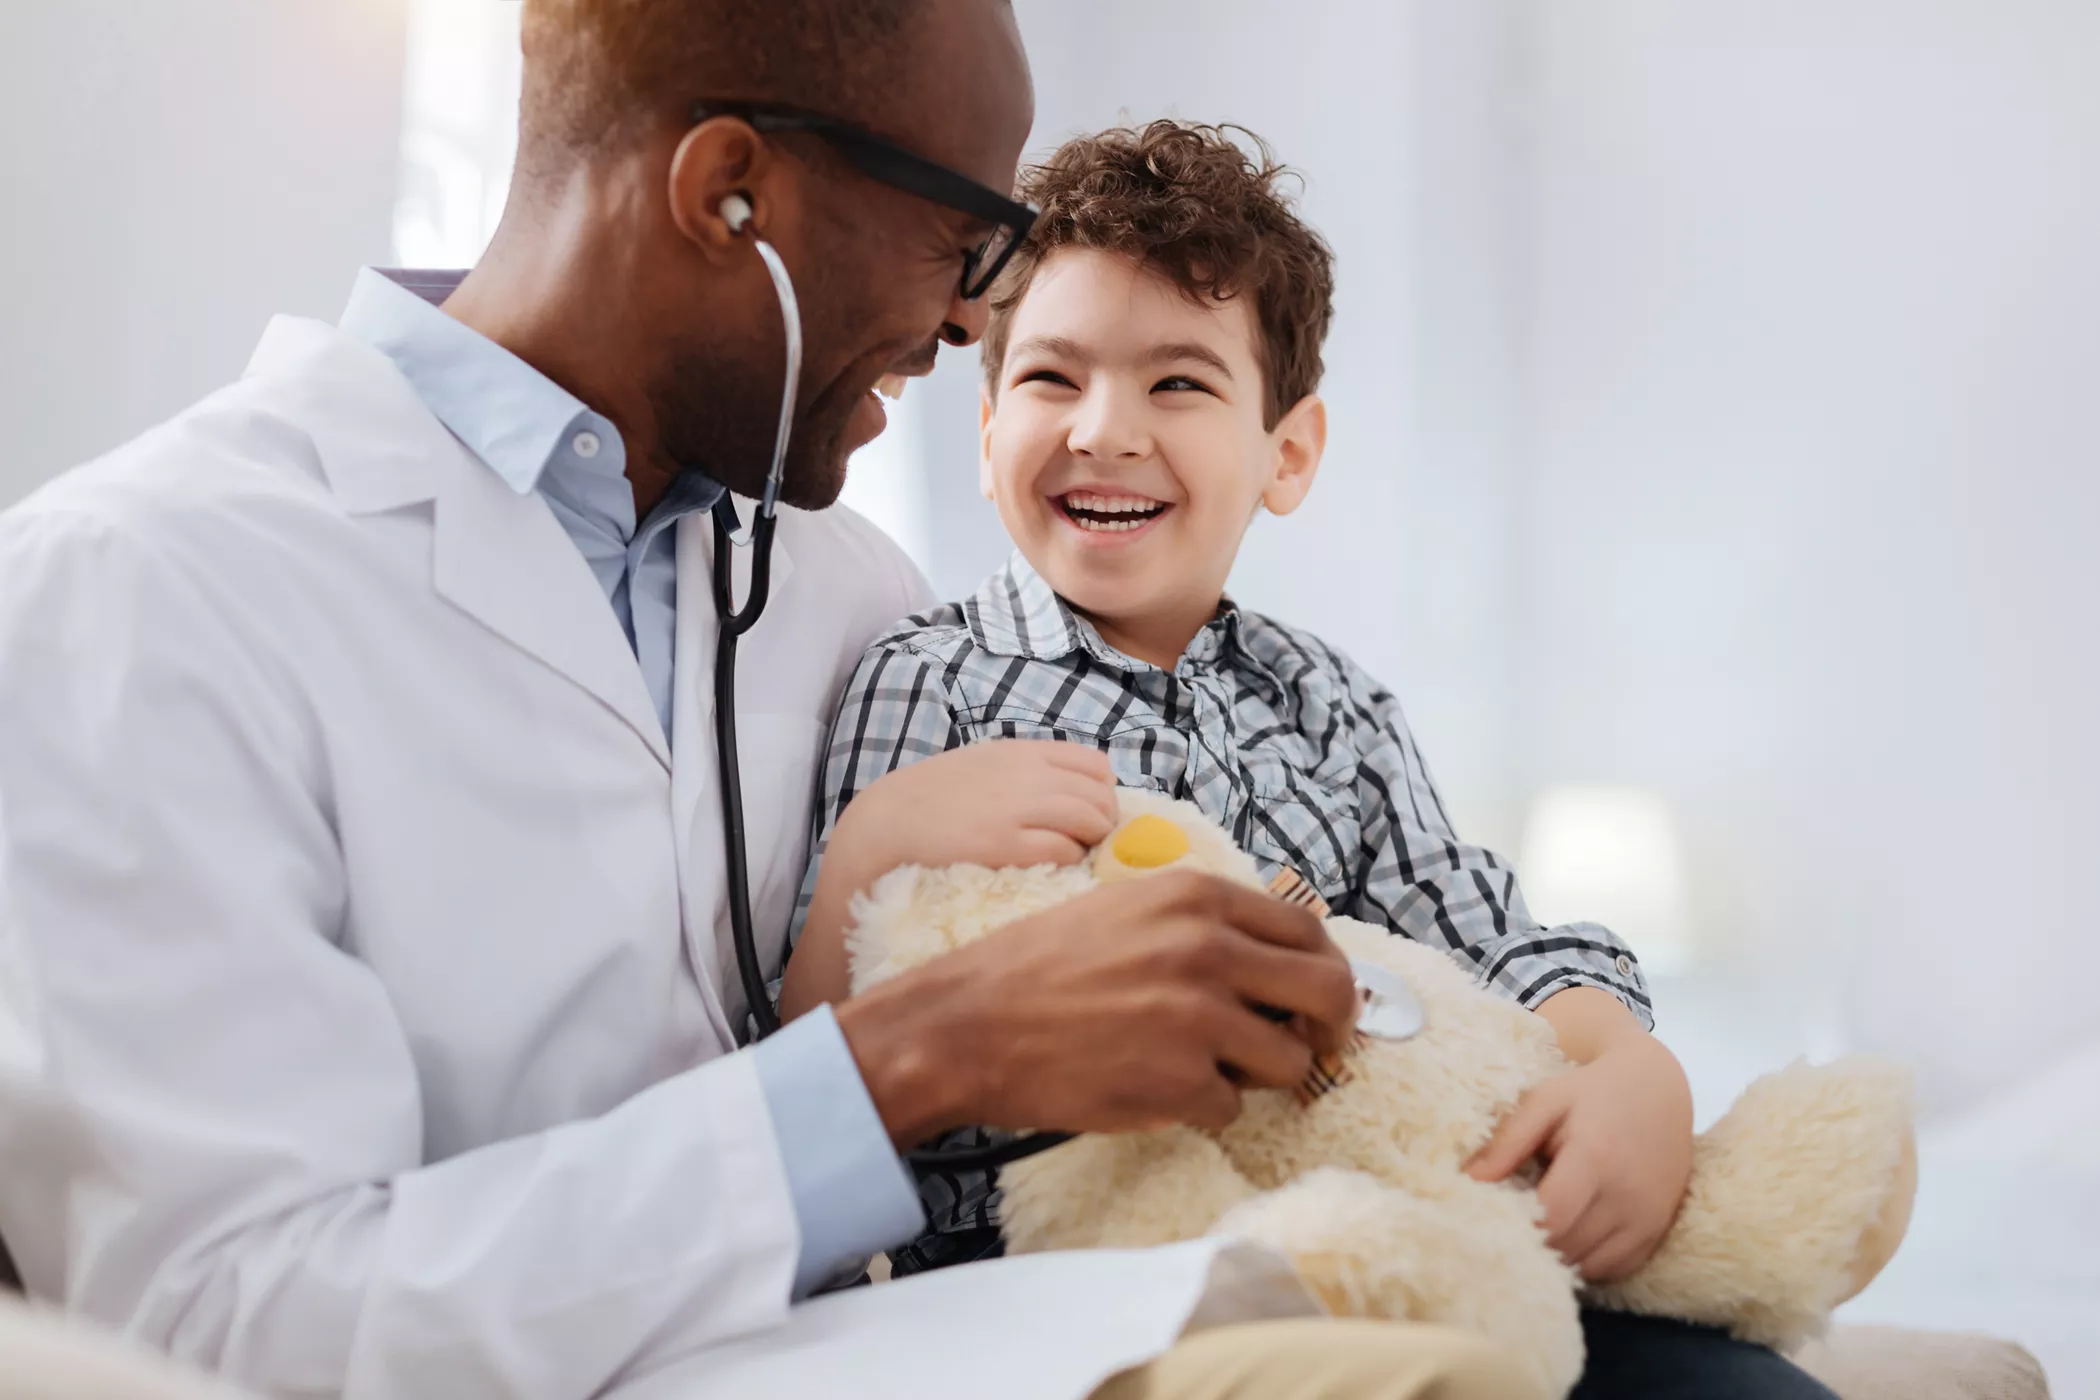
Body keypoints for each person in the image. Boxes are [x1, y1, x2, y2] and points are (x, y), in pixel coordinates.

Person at [0, 2, 1538, 1398]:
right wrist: (906, 1065)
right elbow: (213, 1323)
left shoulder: (844, 590)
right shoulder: (135, 589)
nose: (965, 325)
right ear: (731, 195)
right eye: (967, 239)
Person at [782, 121, 1838, 1399]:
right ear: (993, 417)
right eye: (1056, 379)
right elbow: (817, 1093)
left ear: (1287, 454)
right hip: (1074, 1283)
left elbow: (1479, 929)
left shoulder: (1327, 698)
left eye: (1179, 384)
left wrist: (1628, 1065)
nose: (1105, 430)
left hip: (1390, 1227)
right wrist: (871, 846)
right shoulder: (929, 680)